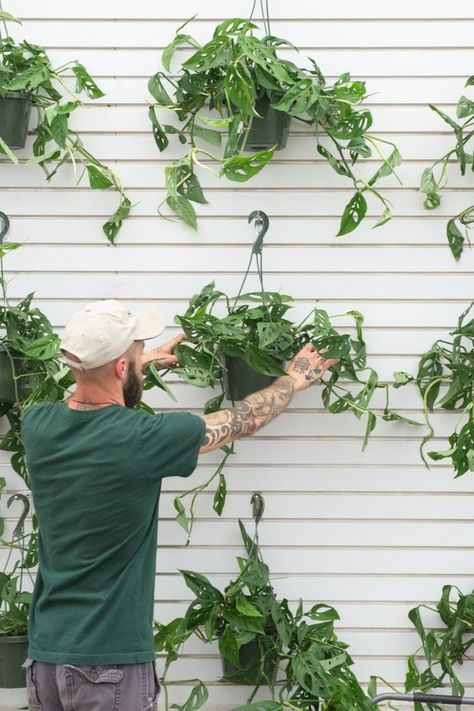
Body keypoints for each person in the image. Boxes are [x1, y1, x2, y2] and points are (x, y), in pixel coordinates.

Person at [20, 299, 338, 711]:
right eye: (134, 354)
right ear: (120, 367)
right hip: (108, 662)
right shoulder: (144, 438)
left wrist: (136, 365)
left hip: (45, 659)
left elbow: (84, 398)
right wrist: (294, 379)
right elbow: (243, 419)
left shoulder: (38, 424)